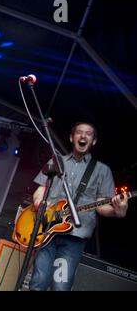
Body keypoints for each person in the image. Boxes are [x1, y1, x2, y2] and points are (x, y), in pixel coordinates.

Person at [29, 122, 129, 291]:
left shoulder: (102, 171)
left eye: (88, 134)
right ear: (71, 137)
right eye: (79, 132)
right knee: (38, 281)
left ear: (94, 141)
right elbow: (40, 190)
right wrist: (39, 203)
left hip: (74, 237)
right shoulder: (56, 161)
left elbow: (101, 206)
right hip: (47, 231)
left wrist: (118, 211)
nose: (83, 136)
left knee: (60, 287)